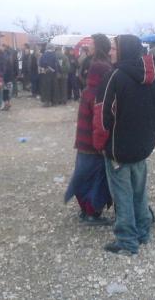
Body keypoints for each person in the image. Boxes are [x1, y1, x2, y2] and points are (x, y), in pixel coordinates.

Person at [93, 35, 155, 255]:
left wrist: (100, 144)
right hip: (141, 148)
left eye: (114, 48)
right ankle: (143, 233)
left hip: (118, 150)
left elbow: (102, 115)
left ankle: (127, 241)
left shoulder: (114, 77)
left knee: (122, 195)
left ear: (123, 50)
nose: (110, 52)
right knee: (139, 192)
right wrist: (149, 139)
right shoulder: (150, 77)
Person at [65, 34, 113, 226]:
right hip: (93, 142)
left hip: (84, 140)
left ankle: (86, 210)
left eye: (92, 43)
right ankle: (92, 213)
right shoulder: (99, 93)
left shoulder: (88, 90)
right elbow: (99, 121)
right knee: (96, 177)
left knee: (83, 175)